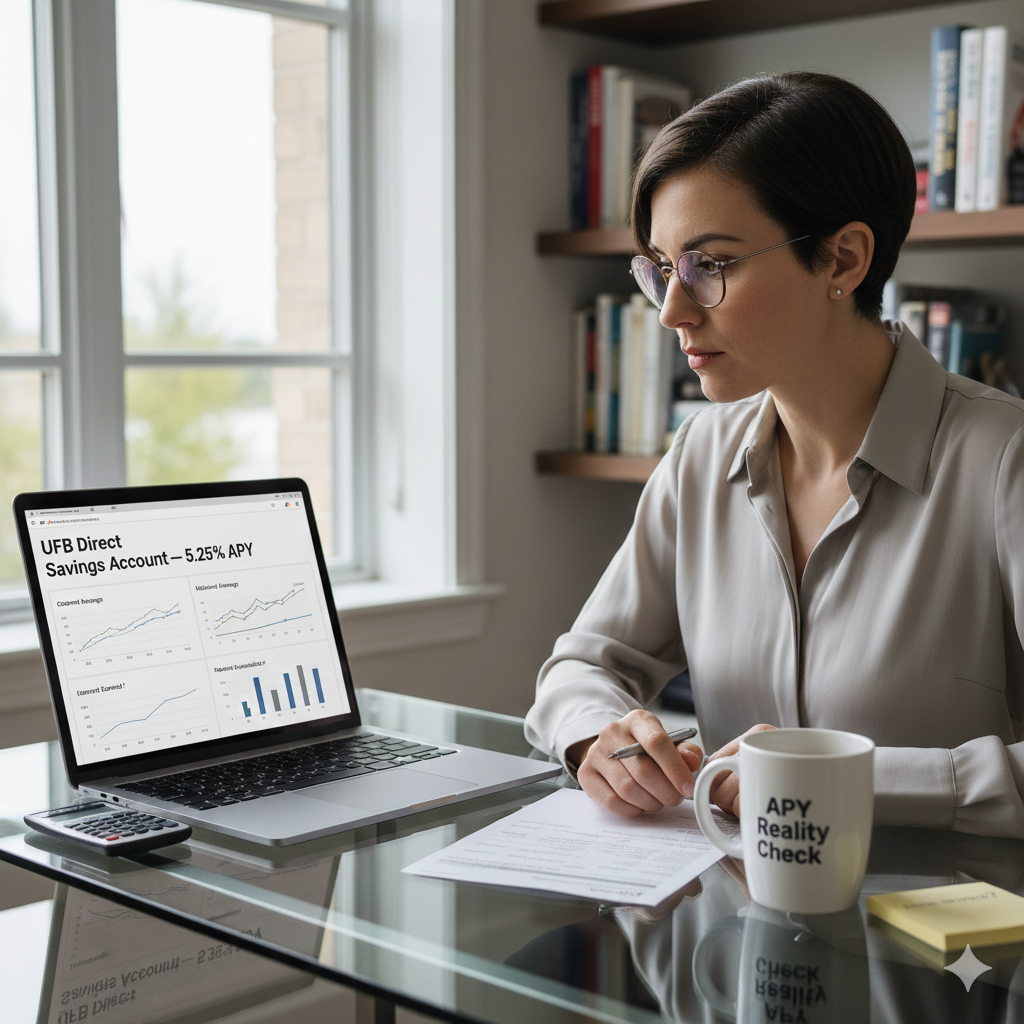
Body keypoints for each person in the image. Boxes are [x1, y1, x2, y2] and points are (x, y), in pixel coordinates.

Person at [524, 71, 1024, 837]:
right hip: (734, 934)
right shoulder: (699, 456)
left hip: (960, 948)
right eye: (660, 267)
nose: (670, 311)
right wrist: (601, 735)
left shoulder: (1004, 459)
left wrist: (830, 783)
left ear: (843, 260)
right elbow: (581, 667)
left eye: (711, 265)